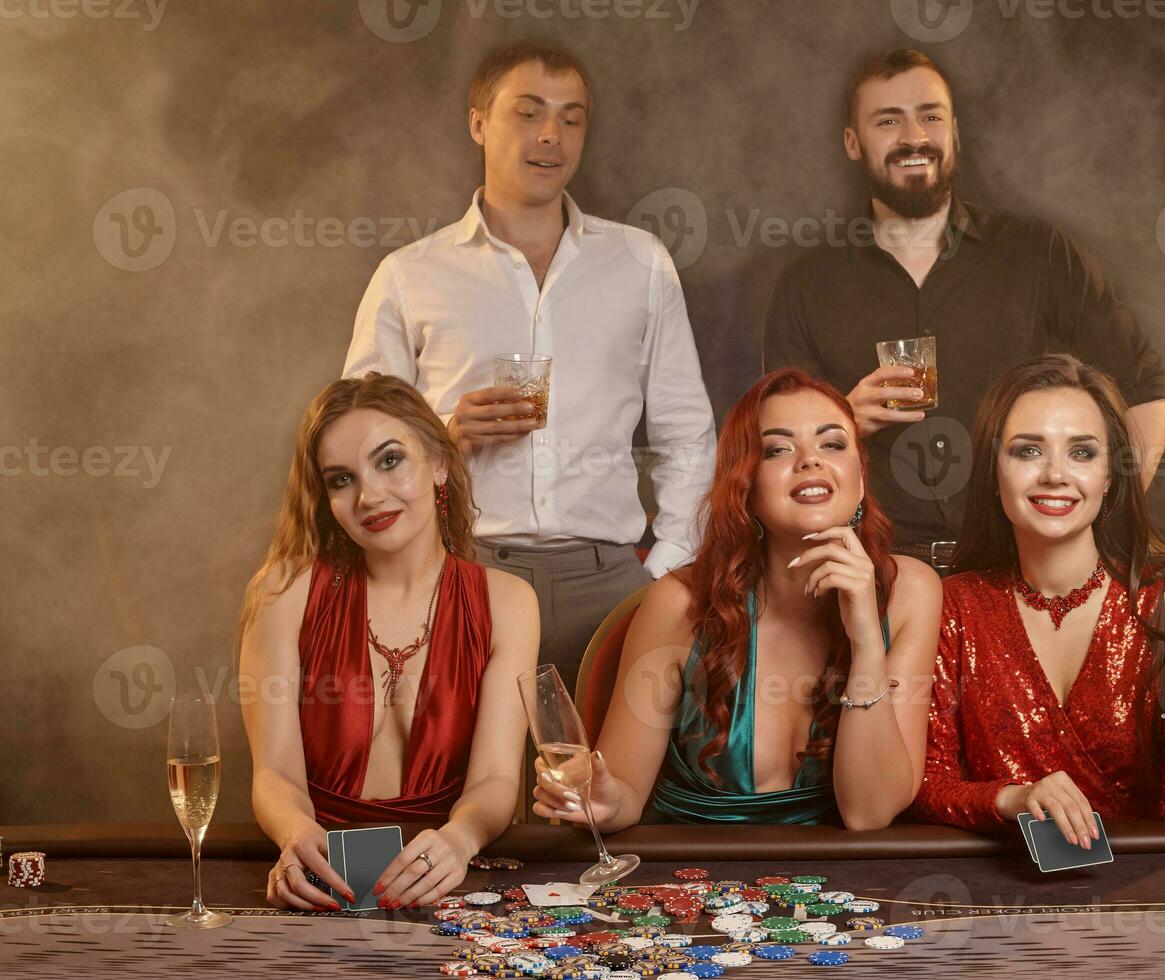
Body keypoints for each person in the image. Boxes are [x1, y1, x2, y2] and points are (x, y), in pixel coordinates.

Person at [344, 41, 715, 686]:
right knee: (473, 783)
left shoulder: (640, 263)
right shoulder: (410, 275)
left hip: (611, 582)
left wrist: (670, 565)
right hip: (463, 572)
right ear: (478, 122)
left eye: (572, 118)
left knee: (603, 783)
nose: (552, 135)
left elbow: (685, 428)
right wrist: (444, 439)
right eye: (529, 112)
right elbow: (354, 451)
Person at [764, 48, 1165, 573]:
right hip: (872, 573)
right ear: (852, 141)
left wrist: (1103, 518)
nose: (914, 136)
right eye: (888, 120)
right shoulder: (806, 283)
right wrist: (840, 423)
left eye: (930, 116)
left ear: (954, 131)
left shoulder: (1037, 252)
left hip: (1015, 571)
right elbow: (769, 448)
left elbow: (1149, 389)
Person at [531, 369, 941, 831]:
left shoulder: (910, 592)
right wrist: (603, 805)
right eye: (777, 449)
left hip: (843, 887)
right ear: (744, 486)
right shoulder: (679, 603)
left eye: (832, 444)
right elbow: (622, 793)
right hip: (700, 878)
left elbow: (869, 813)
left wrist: (866, 641)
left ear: (861, 479)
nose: (810, 461)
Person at [907, 355, 1165, 844]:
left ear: (1109, 478)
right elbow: (921, 786)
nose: (1055, 475)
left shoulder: (1163, 606)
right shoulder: (953, 606)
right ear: (993, 474)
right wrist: (1012, 798)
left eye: (1081, 453)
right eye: (1027, 452)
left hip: (1140, 898)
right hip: (1000, 898)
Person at [238, 373, 537, 912]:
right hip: (320, 877)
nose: (369, 495)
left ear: (441, 462)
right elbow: (274, 772)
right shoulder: (283, 592)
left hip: (447, 877)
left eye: (390, 460)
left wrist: (459, 840)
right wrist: (295, 834)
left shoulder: (509, 601)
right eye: (341, 479)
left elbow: (495, 779)